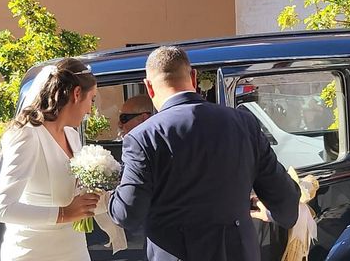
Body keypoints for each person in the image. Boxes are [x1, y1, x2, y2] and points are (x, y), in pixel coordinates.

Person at [109, 46, 300, 261]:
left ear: (149, 87)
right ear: (193, 76)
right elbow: (284, 198)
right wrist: (276, 214)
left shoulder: (143, 138)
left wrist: (110, 196)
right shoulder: (244, 123)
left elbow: (128, 215)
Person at [0, 58, 102, 261]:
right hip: (35, 252)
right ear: (77, 94)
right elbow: (3, 208)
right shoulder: (28, 136)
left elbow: (76, 198)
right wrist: (64, 214)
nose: (90, 110)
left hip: (74, 249)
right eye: (91, 100)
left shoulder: (73, 136)